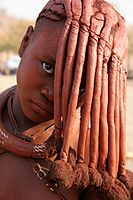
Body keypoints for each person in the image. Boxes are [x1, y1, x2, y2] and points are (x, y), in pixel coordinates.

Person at [0, 0, 133, 199]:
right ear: (25, 42)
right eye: (48, 68)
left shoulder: (91, 168)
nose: (54, 94)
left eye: (79, 85)